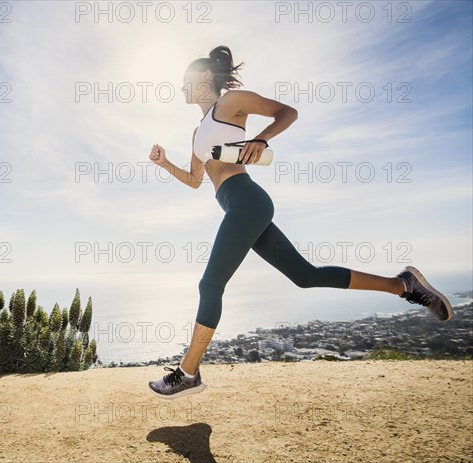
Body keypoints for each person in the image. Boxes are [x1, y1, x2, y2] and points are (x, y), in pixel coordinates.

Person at [147, 45, 453, 400]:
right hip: (238, 207)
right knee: (305, 276)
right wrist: (164, 164)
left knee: (210, 285)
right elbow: (195, 179)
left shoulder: (230, 103)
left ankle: (188, 373)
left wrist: (262, 138)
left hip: (247, 201)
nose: (181, 87)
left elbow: (287, 112)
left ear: (203, 77)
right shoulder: (198, 132)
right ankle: (404, 285)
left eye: (186, 80)